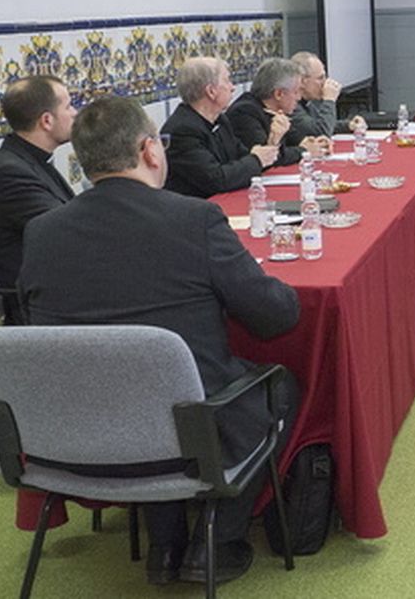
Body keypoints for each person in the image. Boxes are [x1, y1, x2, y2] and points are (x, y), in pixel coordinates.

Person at [20, 96, 300, 587]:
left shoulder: (41, 233)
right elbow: (274, 318)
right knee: (279, 388)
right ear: (150, 151)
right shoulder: (195, 221)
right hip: (187, 424)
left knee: (146, 393)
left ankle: (164, 546)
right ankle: (217, 540)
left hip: (74, 425)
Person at [0, 76, 76, 289]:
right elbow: (66, 234)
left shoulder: (29, 160)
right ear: (47, 121)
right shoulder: (9, 174)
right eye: (68, 107)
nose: (75, 113)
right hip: (43, 300)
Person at [160, 57, 280, 198]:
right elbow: (216, 180)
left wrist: (268, 146)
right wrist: (257, 159)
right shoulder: (182, 131)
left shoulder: (220, 119)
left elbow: (243, 156)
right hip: (196, 209)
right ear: (211, 91)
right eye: (227, 80)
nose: (232, 87)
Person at [227, 57, 325, 166]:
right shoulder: (244, 113)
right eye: (296, 92)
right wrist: (304, 151)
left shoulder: (276, 110)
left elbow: (294, 137)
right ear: (278, 94)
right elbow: (268, 157)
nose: (299, 98)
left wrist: (314, 143)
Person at [288, 51, 363, 140]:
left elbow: (318, 123)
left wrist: (348, 125)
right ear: (302, 81)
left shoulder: (307, 101)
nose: (325, 83)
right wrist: (329, 100)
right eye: (320, 78)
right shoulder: (290, 104)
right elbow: (320, 133)